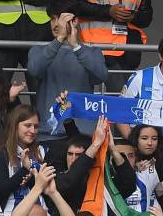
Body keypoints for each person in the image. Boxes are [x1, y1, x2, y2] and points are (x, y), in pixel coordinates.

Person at [26, 11, 109, 142]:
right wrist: (59, 39)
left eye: (61, 19)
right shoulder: (38, 50)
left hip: (82, 135)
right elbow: (34, 70)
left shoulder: (92, 52)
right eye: (53, 19)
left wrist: (76, 46)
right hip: (48, 134)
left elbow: (101, 76)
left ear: (74, 22)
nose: (56, 24)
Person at [63, 0, 155, 72]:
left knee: (125, 86)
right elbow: (75, 5)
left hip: (129, 50)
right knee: (112, 85)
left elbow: (146, 17)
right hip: (97, 46)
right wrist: (108, 11)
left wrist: (133, 16)